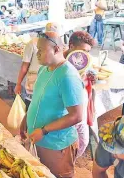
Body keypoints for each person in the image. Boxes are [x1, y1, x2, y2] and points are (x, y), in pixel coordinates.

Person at [20, 31, 84, 177]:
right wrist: (26, 120)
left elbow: (76, 116)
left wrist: (44, 130)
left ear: (56, 49)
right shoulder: (44, 69)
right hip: (39, 141)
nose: (37, 55)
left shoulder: (67, 76)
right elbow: (37, 99)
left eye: (41, 51)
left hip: (56, 145)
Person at [63, 31, 96, 157]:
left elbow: (88, 75)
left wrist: (90, 77)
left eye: (88, 51)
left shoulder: (83, 61)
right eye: (83, 50)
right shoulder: (60, 63)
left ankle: (70, 162)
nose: (85, 55)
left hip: (80, 109)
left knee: (83, 141)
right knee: (65, 143)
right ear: (71, 46)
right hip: (66, 111)